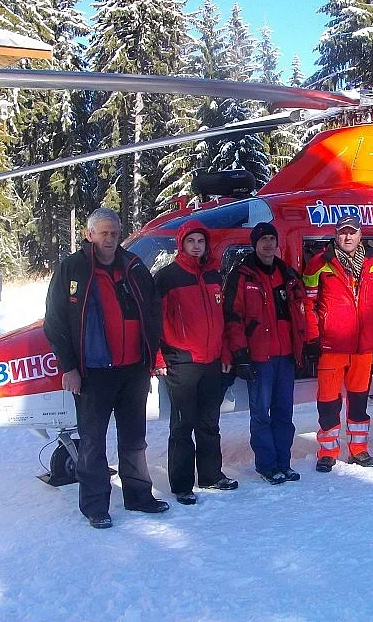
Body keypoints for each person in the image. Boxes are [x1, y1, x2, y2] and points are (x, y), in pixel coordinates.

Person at [44, 207, 168, 529]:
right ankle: (96, 505)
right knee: (92, 442)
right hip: (92, 373)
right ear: (90, 235)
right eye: (103, 233)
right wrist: (68, 367)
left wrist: (150, 357)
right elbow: (55, 321)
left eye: (114, 232)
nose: (109, 239)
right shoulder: (73, 269)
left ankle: (139, 496)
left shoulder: (133, 266)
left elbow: (153, 312)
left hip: (132, 371)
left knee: (134, 439)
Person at [153, 220, 237, 506]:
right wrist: (158, 357)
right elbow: (154, 321)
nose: (197, 246)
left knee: (209, 423)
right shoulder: (168, 277)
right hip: (182, 362)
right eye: (191, 242)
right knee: (182, 425)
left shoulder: (214, 275)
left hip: (212, 360)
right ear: (182, 244)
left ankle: (211, 475)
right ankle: (181, 484)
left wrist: (225, 353)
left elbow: (221, 319)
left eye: (201, 241)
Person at [303, 215, 373, 472]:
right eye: (343, 233)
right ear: (335, 235)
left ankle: (359, 450)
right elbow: (307, 305)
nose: (348, 237)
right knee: (328, 403)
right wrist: (312, 338)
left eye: (352, 232)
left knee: (359, 401)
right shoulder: (319, 264)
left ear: (361, 235)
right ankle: (328, 451)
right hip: (331, 347)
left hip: (363, 348)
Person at [224, 222, 308, 484]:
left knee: (284, 413)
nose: (269, 244)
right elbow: (233, 318)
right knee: (261, 414)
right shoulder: (242, 275)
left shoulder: (289, 275)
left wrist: (303, 347)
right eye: (263, 240)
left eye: (272, 239)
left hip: (285, 356)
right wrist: (240, 354)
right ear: (255, 244)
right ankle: (267, 465)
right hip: (259, 357)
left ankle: (284, 461)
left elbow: (300, 312)